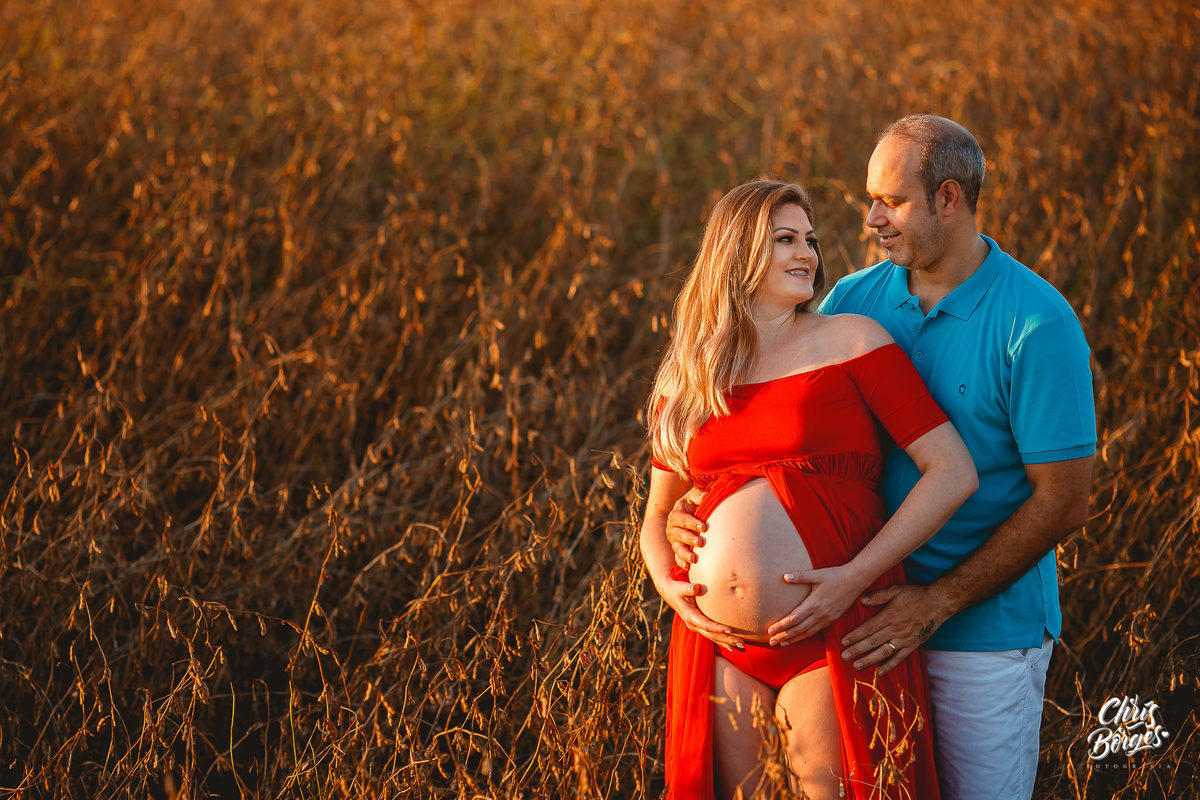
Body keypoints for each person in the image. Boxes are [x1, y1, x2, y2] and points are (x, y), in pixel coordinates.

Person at [665, 116, 1096, 800]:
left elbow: (1065, 500)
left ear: (948, 199)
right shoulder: (851, 301)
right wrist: (702, 501)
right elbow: (792, 427)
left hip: (977, 628)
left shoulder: (1037, 323)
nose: (870, 219)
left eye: (891, 201)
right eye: (869, 198)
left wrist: (936, 602)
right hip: (854, 616)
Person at [640, 179, 978, 799]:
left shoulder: (853, 342)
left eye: (811, 240)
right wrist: (672, 588)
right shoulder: (691, 374)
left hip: (836, 627)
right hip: (719, 646)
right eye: (785, 239)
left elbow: (952, 472)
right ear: (736, 252)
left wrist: (854, 577)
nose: (809, 254)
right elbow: (657, 513)